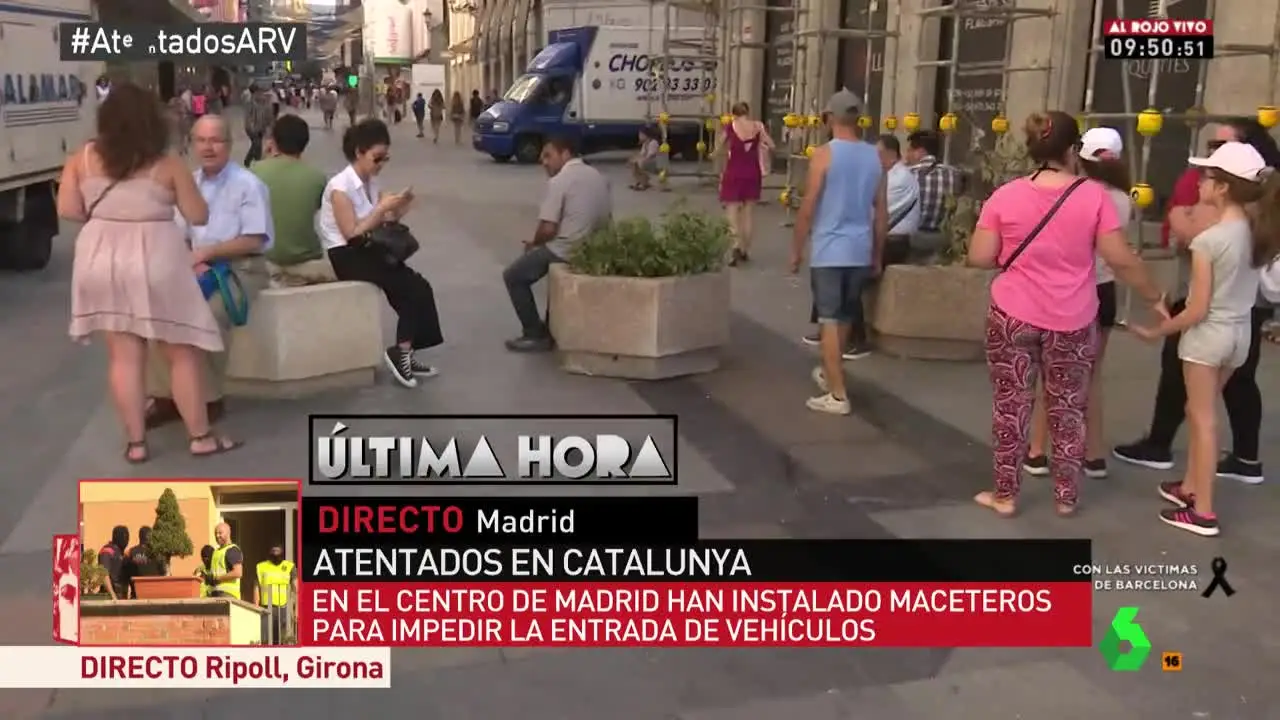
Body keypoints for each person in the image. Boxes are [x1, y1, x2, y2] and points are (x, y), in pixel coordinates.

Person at [967, 111, 1165, 518]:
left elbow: (980, 256)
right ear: (1073, 150)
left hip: (1012, 313)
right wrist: (1153, 297)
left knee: (1011, 404)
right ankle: (1066, 496)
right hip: (1074, 318)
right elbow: (1120, 259)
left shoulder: (1005, 195)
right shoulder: (1093, 197)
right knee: (1069, 405)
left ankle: (1004, 495)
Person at [59, 82, 233, 462]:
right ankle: (200, 437)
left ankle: (136, 445)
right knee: (181, 352)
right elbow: (198, 215)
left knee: (124, 356)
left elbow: (69, 210)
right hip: (156, 255)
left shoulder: (82, 158)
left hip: (100, 258)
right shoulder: (166, 162)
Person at [1113, 118, 1280, 484]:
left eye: (1209, 173)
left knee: (1202, 417)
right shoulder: (1256, 229)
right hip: (1238, 330)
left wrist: (1157, 330)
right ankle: (1193, 485)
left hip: (1209, 332)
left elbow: (1197, 306)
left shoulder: (1214, 238)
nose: (1199, 178)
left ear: (1222, 187)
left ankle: (1199, 503)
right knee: (1204, 406)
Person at [143, 115, 271, 437]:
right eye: (201, 140)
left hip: (242, 266)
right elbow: (179, 232)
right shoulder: (191, 182)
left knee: (210, 313)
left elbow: (255, 239)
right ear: (193, 144)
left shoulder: (249, 184)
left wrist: (208, 254)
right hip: (195, 263)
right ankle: (165, 396)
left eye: (215, 140)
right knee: (157, 309)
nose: (208, 147)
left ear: (228, 144)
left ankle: (210, 398)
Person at [1025, 127, 1131, 479]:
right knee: (1092, 375)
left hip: (1072, 290)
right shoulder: (1123, 198)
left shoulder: (1076, 194)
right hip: (1106, 291)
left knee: (1051, 372)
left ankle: (1038, 450)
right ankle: (1093, 455)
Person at [320, 119, 444, 387]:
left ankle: (406, 351)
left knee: (420, 288)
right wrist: (379, 211)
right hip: (346, 254)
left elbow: (383, 222)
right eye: (376, 158)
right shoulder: (340, 188)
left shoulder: (370, 183)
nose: (380, 165)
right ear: (359, 153)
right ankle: (401, 353)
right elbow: (351, 234)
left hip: (367, 249)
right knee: (408, 287)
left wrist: (399, 207)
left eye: (384, 159)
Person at [788, 90, 885, 415]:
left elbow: (809, 204)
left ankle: (838, 395)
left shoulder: (824, 154)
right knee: (844, 317)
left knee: (829, 319)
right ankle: (832, 375)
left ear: (830, 117)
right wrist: (877, 253)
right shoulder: (875, 156)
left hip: (830, 249)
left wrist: (796, 249)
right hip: (860, 248)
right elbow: (881, 210)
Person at [503, 137, 612, 352]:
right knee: (548, 266)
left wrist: (534, 244)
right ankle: (551, 328)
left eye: (548, 156)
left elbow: (548, 229)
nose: (543, 162)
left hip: (569, 248)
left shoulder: (561, 180)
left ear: (566, 154)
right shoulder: (598, 176)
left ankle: (534, 334)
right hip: (596, 246)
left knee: (514, 276)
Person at [253, 115, 335, 287]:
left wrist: (264, 157)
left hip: (266, 257)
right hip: (306, 258)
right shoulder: (317, 177)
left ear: (273, 142)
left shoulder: (254, 172)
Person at [717, 102, 772, 266]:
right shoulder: (758, 126)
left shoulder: (730, 127)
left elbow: (719, 147)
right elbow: (771, 144)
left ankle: (735, 245)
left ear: (733, 114)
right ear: (748, 112)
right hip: (753, 173)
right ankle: (745, 250)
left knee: (732, 212)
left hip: (733, 172)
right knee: (748, 214)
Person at [903, 130, 964, 249]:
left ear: (920, 152)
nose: (906, 156)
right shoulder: (955, 175)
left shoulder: (908, 174)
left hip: (913, 239)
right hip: (944, 240)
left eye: (909, 151)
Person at [876, 134, 922, 264]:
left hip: (894, 242)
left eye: (878, 153)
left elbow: (878, 212)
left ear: (891, 155)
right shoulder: (888, 175)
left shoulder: (899, 178)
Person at [254, 544, 295, 644]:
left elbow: (296, 588)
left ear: (282, 553)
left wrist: (296, 608)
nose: (276, 554)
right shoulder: (261, 566)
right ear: (269, 553)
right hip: (266, 607)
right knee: (266, 639)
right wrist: (256, 606)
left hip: (284, 607)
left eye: (278, 551)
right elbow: (256, 587)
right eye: (274, 551)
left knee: (285, 639)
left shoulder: (290, 566)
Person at [123, 526, 164, 598]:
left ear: (139, 537)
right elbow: (163, 573)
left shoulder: (130, 552)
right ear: (150, 537)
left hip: (136, 594)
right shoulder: (157, 553)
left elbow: (125, 573)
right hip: (155, 594)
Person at [206, 522, 243, 599]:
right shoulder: (216, 552)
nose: (217, 536)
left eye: (220, 533)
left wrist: (217, 579)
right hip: (215, 593)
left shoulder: (232, 550)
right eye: (215, 533)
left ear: (228, 533)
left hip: (227, 595)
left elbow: (237, 573)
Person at [243, 86, 274, 166]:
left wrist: (270, 126)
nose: (259, 95)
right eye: (257, 93)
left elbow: (269, 116)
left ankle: (256, 160)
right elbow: (248, 116)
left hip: (261, 127)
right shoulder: (250, 103)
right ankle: (248, 161)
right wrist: (250, 126)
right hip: (252, 128)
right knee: (256, 143)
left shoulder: (265, 103)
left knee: (257, 145)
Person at [97, 526, 130, 600]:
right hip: (110, 596)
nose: (126, 540)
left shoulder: (122, 553)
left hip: (122, 596)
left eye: (127, 537)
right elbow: (104, 574)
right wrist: (113, 596)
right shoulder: (107, 551)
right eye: (124, 537)